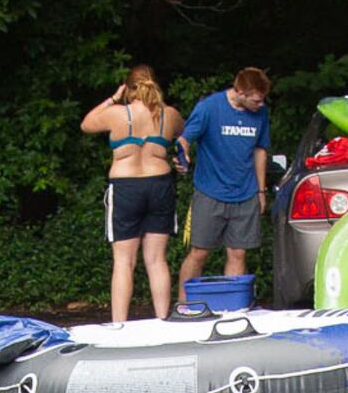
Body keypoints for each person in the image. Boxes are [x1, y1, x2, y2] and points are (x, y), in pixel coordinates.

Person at [79, 64, 180, 322]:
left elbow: (86, 124)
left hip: (126, 187)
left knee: (124, 262)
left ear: (128, 88)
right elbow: (183, 133)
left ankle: (119, 325)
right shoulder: (168, 114)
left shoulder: (117, 113)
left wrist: (113, 98)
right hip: (159, 184)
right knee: (157, 260)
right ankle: (162, 321)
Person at [178, 65, 277, 283]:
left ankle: (230, 309)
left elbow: (260, 150)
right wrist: (182, 153)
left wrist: (261, 191)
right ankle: (185, 305)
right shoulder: (209, 107)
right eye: (256, 100)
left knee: (238, 253)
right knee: (199, 253)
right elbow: (185, 138)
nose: (261, 105)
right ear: (240, 92)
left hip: (246, 193)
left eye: (262, 101)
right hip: (210, 191)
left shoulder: (260, 113)